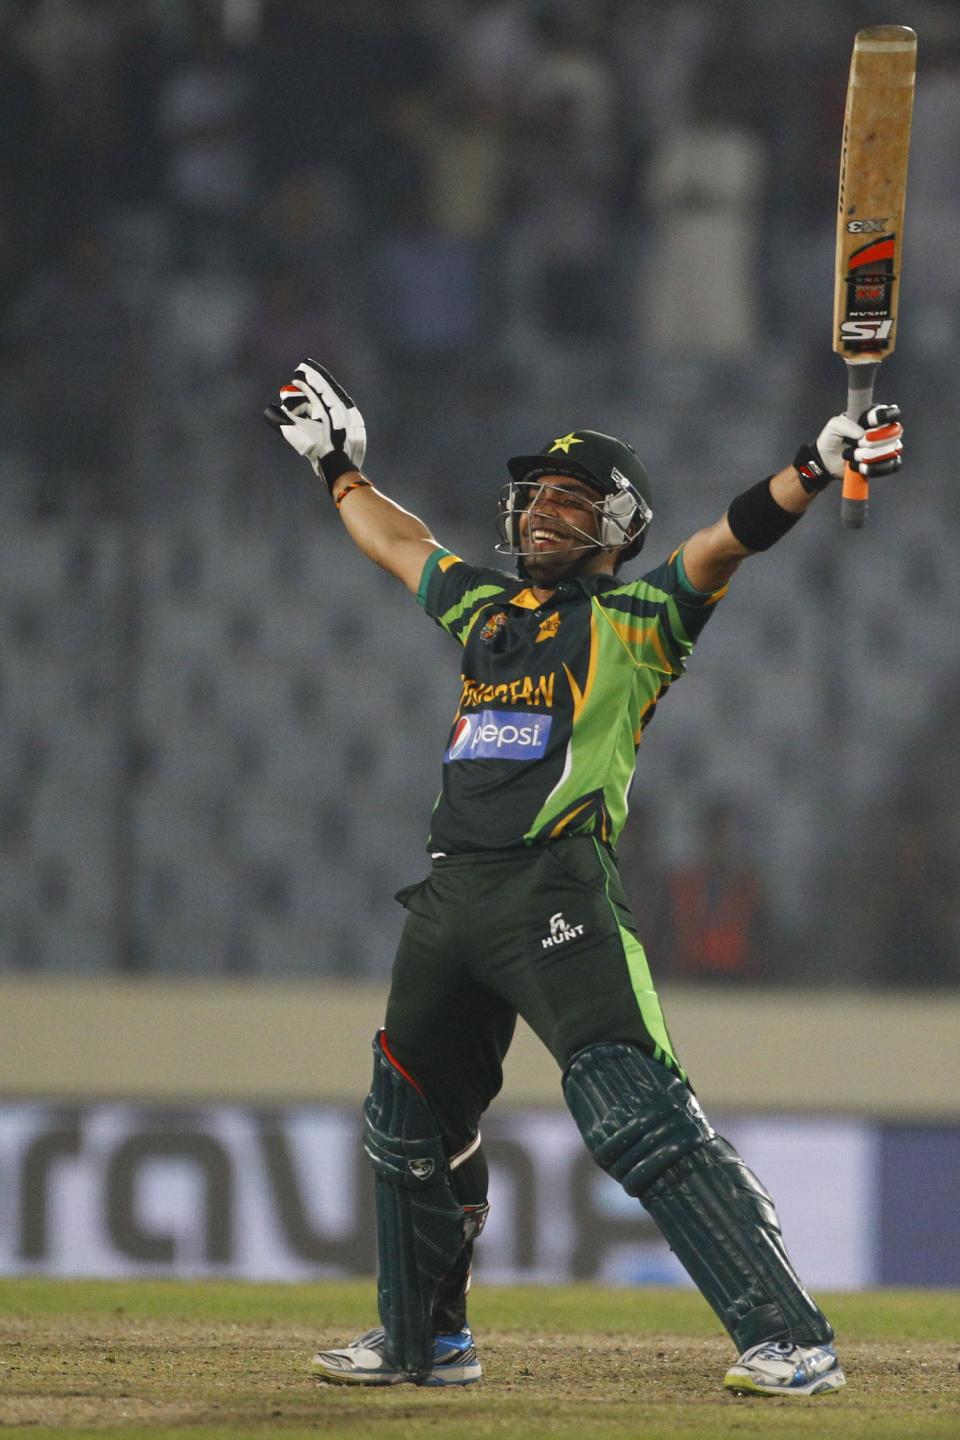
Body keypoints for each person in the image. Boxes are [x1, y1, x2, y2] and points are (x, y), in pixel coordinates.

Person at [265, 360, 903, 1398]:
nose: (545, 513)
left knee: (632, 1110)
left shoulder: (639, 621)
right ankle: (426, 1345)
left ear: (617, 525)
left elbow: (722, 542)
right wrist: (339, 469)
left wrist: (810, 467)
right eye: (536, 498)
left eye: (572, 500)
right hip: (450, 895)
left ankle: (793, 1339)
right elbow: (402, 543)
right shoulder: (484, 611)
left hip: (556, 895)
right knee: (409, 1117)